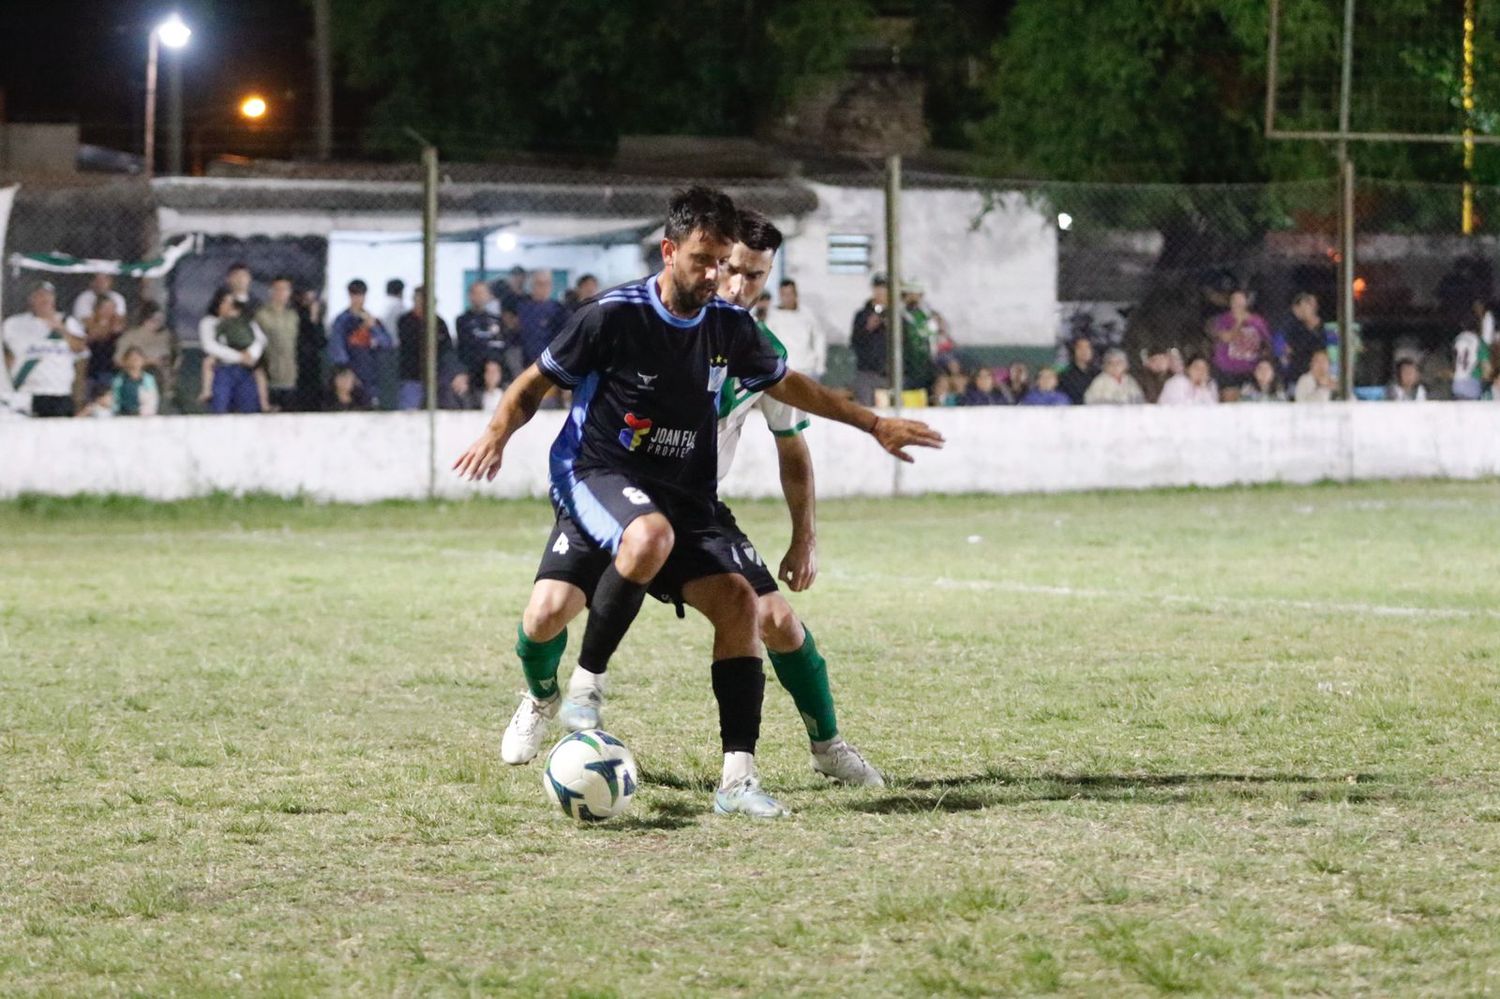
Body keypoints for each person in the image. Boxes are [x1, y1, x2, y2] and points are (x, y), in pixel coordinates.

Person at [453, 187, 941, 817]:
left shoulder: (735, 332)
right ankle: (559, 693)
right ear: (670, 252)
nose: (719, 278)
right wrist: (495, 433)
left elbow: (794, 393)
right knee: (548, 613)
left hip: (688, 498)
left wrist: (874, 425)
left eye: (731, 266)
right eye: (707, 262)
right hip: (599, 475)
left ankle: (740, 779)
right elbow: (533, 384)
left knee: (748, 605)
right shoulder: (613, 316)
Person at [2, 280, 87, 417]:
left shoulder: (68, 322)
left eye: (48, 295)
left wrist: (61, 329)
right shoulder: (14, 324)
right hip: (28, 393)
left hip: (60, 392)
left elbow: (81, 350)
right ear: (31, 299)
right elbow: (6, 353)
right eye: (39, 295)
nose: (44, 299)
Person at [199, 288, 267, 414]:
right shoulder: (209, 322)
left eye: (232, 303)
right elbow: (210, 346)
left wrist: (250, 355)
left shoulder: (245, 321)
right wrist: (239, 357)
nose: (228, 306)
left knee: (249, 408)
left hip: (245, 369)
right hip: (221, 369)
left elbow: (260, 339)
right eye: (225, 302)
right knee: (220, 408)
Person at [329, 279, 394, 406]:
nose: (358, 299)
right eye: (355, 295)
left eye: (361, 295)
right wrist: (346, 371)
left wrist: (372, 327)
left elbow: (387, 343)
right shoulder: (342, 320)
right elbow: (337, 347)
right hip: (349, 375)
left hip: (369, 373)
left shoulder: (372, 320)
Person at [396, 286, 457, 410]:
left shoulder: (439, 322)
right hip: (412, 377)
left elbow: (447, 348)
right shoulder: (405, 321)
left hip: (436, 379)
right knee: (409, 412)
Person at [115, 301, 177, 409]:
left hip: (164, 379)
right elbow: (118, 360)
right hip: (136, 380)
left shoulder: (166, 336)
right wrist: (144, 362)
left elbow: (173, 358)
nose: (158, 323)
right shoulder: (130, 337)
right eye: (154, 320)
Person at [256, 276, 301, 411]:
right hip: (269, 376)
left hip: (290, 377)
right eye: (278, 289)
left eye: (285, 289)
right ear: (271, 291)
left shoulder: (293, 316)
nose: (281, 293)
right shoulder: (261, 315)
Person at [1210, 289, 1271, 384]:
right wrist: (1239, 322)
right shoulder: (1223, 319)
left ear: (1246, 302)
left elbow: (1266, 341)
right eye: (1234, 300)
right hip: (1227, 369)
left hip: (1250, 369)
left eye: (1240, 300)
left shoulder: (1257, 320)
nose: (1238, 303)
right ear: (1230, 302)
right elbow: (1226, 338)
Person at [455, 280, 509, 383]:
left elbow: (500, 345)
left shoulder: (497, 320)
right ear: (469, 296)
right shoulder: (462, 320)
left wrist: (493, 363)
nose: (479, 296)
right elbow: (468, 347)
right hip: (472, 371)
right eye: (476, 293)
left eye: (482, 293)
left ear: (488, 295)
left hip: (497, 370)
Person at [515, 270, 570, 369]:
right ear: (532, 285)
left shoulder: (560, 310)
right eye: (539, 283)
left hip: (552, 363)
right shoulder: (522, 308)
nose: (544, 287)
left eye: (547, 283)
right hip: (526, 363)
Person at [773, 278, 827, 380]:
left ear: (796, 294)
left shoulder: (807, 314)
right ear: (780, 296)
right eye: (784, 294)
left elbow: (819, 337)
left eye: (790, 294)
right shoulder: (773, 316)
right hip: (784, 372)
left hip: (808, 371)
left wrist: (820, 365)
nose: (787, 298)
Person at [849, 274, 890, 405]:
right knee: (867, 412)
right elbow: (854, 342)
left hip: (889, 374)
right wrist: (867, 328)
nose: (880, 293)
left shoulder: (896, 315)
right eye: (878, 289)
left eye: (884, 289)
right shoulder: (862, 315)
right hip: (866, 372)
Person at [1278, 292, 1326, 387]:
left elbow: (1322, 346)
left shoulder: (1320, 325)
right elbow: (1291, 347)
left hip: (1315, 370)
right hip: (1296, 372)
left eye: (1309, 307)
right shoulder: (1291, 325)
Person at [81, 293, 127, 392]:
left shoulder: (118, 326)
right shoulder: (88, 325)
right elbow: (89, 339)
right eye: (105, 307)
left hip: (110, 370)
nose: (108, 311)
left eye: (111, 308)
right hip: (91, 370)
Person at [294, 289, 328, 412]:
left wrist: (314, 318)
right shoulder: (296, 316)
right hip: (299, 366)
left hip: (315, 367)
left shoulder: (318, 320)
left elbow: (321, 341)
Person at [110, 346, 160, 416]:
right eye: (131, 358)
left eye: (137, 358)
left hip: (144, 415)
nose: (134, 361)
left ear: (143, 360)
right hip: (123, 414)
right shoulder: (119, 380)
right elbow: (115, 399)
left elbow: (152, 399)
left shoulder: (148, 379)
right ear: (125, 361)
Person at [1057, 338, 1096, 405]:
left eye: (1087, 348)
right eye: (1080, 348)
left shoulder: (1099, 374)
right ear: (1074, 351)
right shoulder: (1065, 376)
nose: (1084, 351)